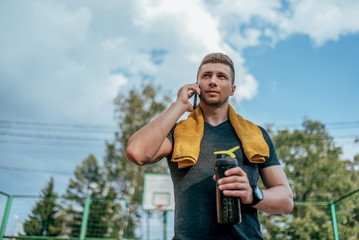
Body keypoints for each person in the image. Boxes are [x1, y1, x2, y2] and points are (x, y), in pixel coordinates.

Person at [126, 53, 293, 239]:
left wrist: (252, 194)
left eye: (221, 76)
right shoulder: (178, 133)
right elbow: (137, 152)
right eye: (206, 76)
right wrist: (179, 105)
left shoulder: (256, 135)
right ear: (196, 85)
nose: (213, 81)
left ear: (232, 89)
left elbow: (286, 200)